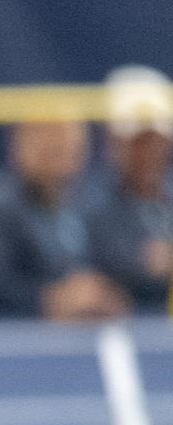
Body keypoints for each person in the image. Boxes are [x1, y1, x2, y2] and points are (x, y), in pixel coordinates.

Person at [0, 119, 127, 321]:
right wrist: (47, 300)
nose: (62, 166)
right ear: (21, 148)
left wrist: (105, 293)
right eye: (51, 153)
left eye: (70, 152)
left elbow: (107, 264)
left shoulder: (85, 206)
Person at [88, 66, 173, 313]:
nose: (147, 153)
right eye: (137, 142)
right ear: (112, 140)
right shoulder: (90, 203)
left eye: (154, 140)